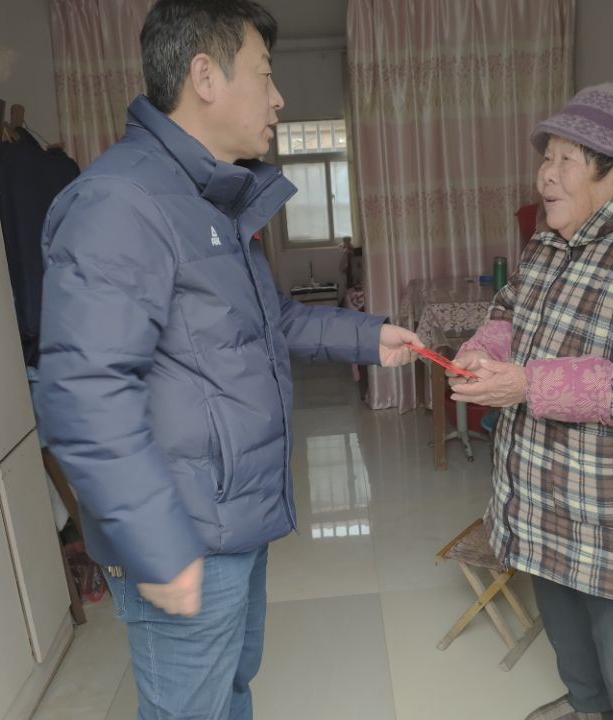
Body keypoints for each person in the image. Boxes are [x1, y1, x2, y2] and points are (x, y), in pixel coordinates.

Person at [35, 1, 421, 717]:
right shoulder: (121, 202)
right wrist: (157, 543)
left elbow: (270, 322)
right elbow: (84, 393)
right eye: (265, 74)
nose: (278, 98)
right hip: (184, 533)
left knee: (230, 691)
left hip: (230, 516)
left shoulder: (205, 197)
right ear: (205, 76)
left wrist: (370, 338)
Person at [448, 83, 613, 720]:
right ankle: (587, 708)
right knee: (575, 655)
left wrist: (526, 384)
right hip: (544, 512)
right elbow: (509, 312)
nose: (546, 174)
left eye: (566, 160)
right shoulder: (547, 244)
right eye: (546, 158)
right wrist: (484, 349)